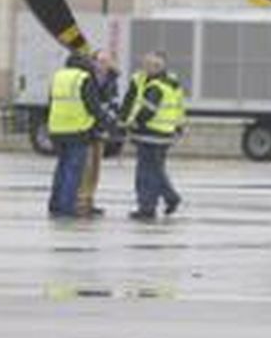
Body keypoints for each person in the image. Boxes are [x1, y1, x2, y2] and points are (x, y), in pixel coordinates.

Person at [121, 51, 186, 220]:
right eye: (146, 64)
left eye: (151, 65)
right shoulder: (171, 84)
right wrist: (179, 127)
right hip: (164, 133)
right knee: (156, 170)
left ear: (159, 67)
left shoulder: (156, 86)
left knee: (146, 173)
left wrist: (133, 123)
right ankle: (157, 202)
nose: (147, 68)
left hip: (150, 133)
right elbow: (179, 108)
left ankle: (151, 206)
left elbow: (148, 111)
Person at [46, 50, 108, 218]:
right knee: (74, 171)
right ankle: (67, 207)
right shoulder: (83, 79)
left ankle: (55, 204)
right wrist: (106, 123)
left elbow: (50, 102)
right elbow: (92, 106)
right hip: (77, 131)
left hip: (57, 130)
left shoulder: (58, 77)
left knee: (61, 168)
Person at [75, 50, 122, 217]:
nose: (104, 65)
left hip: (102, 128)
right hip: (87, 127)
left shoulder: (112, 79)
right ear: (93, 62)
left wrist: (114, 122)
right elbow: (90, 104)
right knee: (85, 167)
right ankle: (80, 201)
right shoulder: (87, 78)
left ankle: (89, 200)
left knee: (96, 167)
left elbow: (114, 102)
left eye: (107, 61)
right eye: (101, 61)